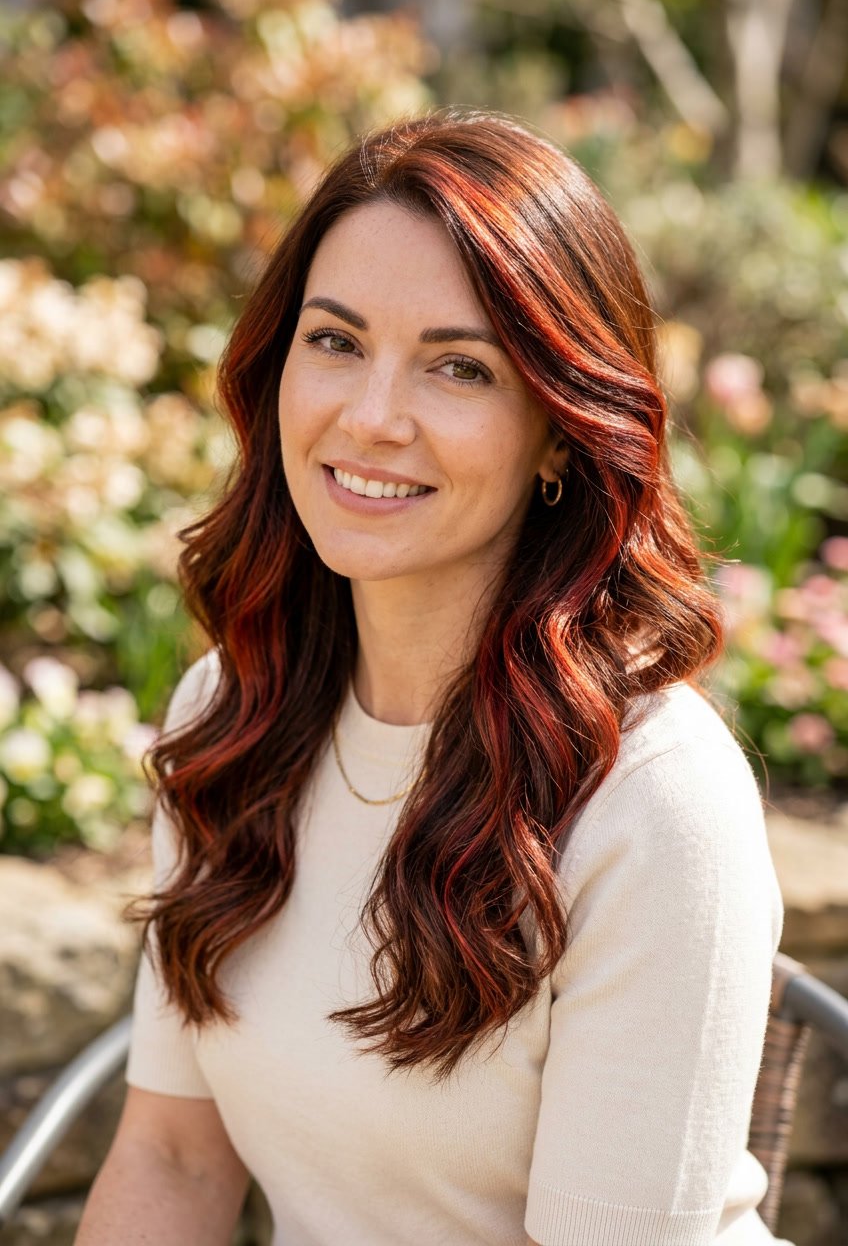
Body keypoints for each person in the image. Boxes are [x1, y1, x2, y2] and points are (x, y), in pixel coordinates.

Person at [75, 109, 788, 1246]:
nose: (370, 418)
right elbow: (171, 1157)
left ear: (560, 431)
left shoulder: (651, 796)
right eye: (336, 341)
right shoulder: (232, 715)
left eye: (457, 367)